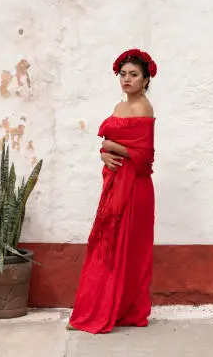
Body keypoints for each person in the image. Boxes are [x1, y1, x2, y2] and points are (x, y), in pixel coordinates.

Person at [67, 49, 158, 334]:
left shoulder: (143, 108)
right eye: (123, 74)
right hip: (115, 184)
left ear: (145, 80)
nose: (127, 79)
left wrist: (111, 147)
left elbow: (144, 158)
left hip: (135, 188)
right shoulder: (119, 108)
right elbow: (110, 146)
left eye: (134, 75)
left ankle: (120, 309)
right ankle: (100, 307)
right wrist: (104, 154)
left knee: (126, 251)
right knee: (105, 246)